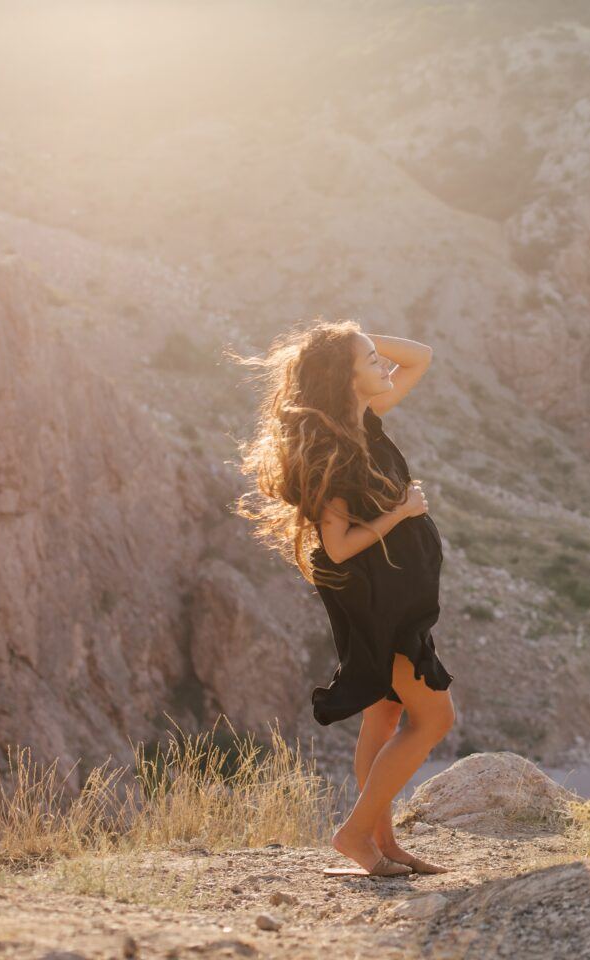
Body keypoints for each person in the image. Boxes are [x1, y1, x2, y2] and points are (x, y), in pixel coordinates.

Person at [230, 319, 455, 876]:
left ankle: (383, 844)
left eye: (380, 358)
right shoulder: (333, 453)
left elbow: (421, 354)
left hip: (396, 598)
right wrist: (402, 512)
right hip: (379, 605)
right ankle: (354, 834)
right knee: (434, 719)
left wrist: (350, 337)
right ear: (345, 378)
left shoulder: (364, 422)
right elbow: (338, 545)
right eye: (372, 362)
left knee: (385, 713)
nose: (385, 367)